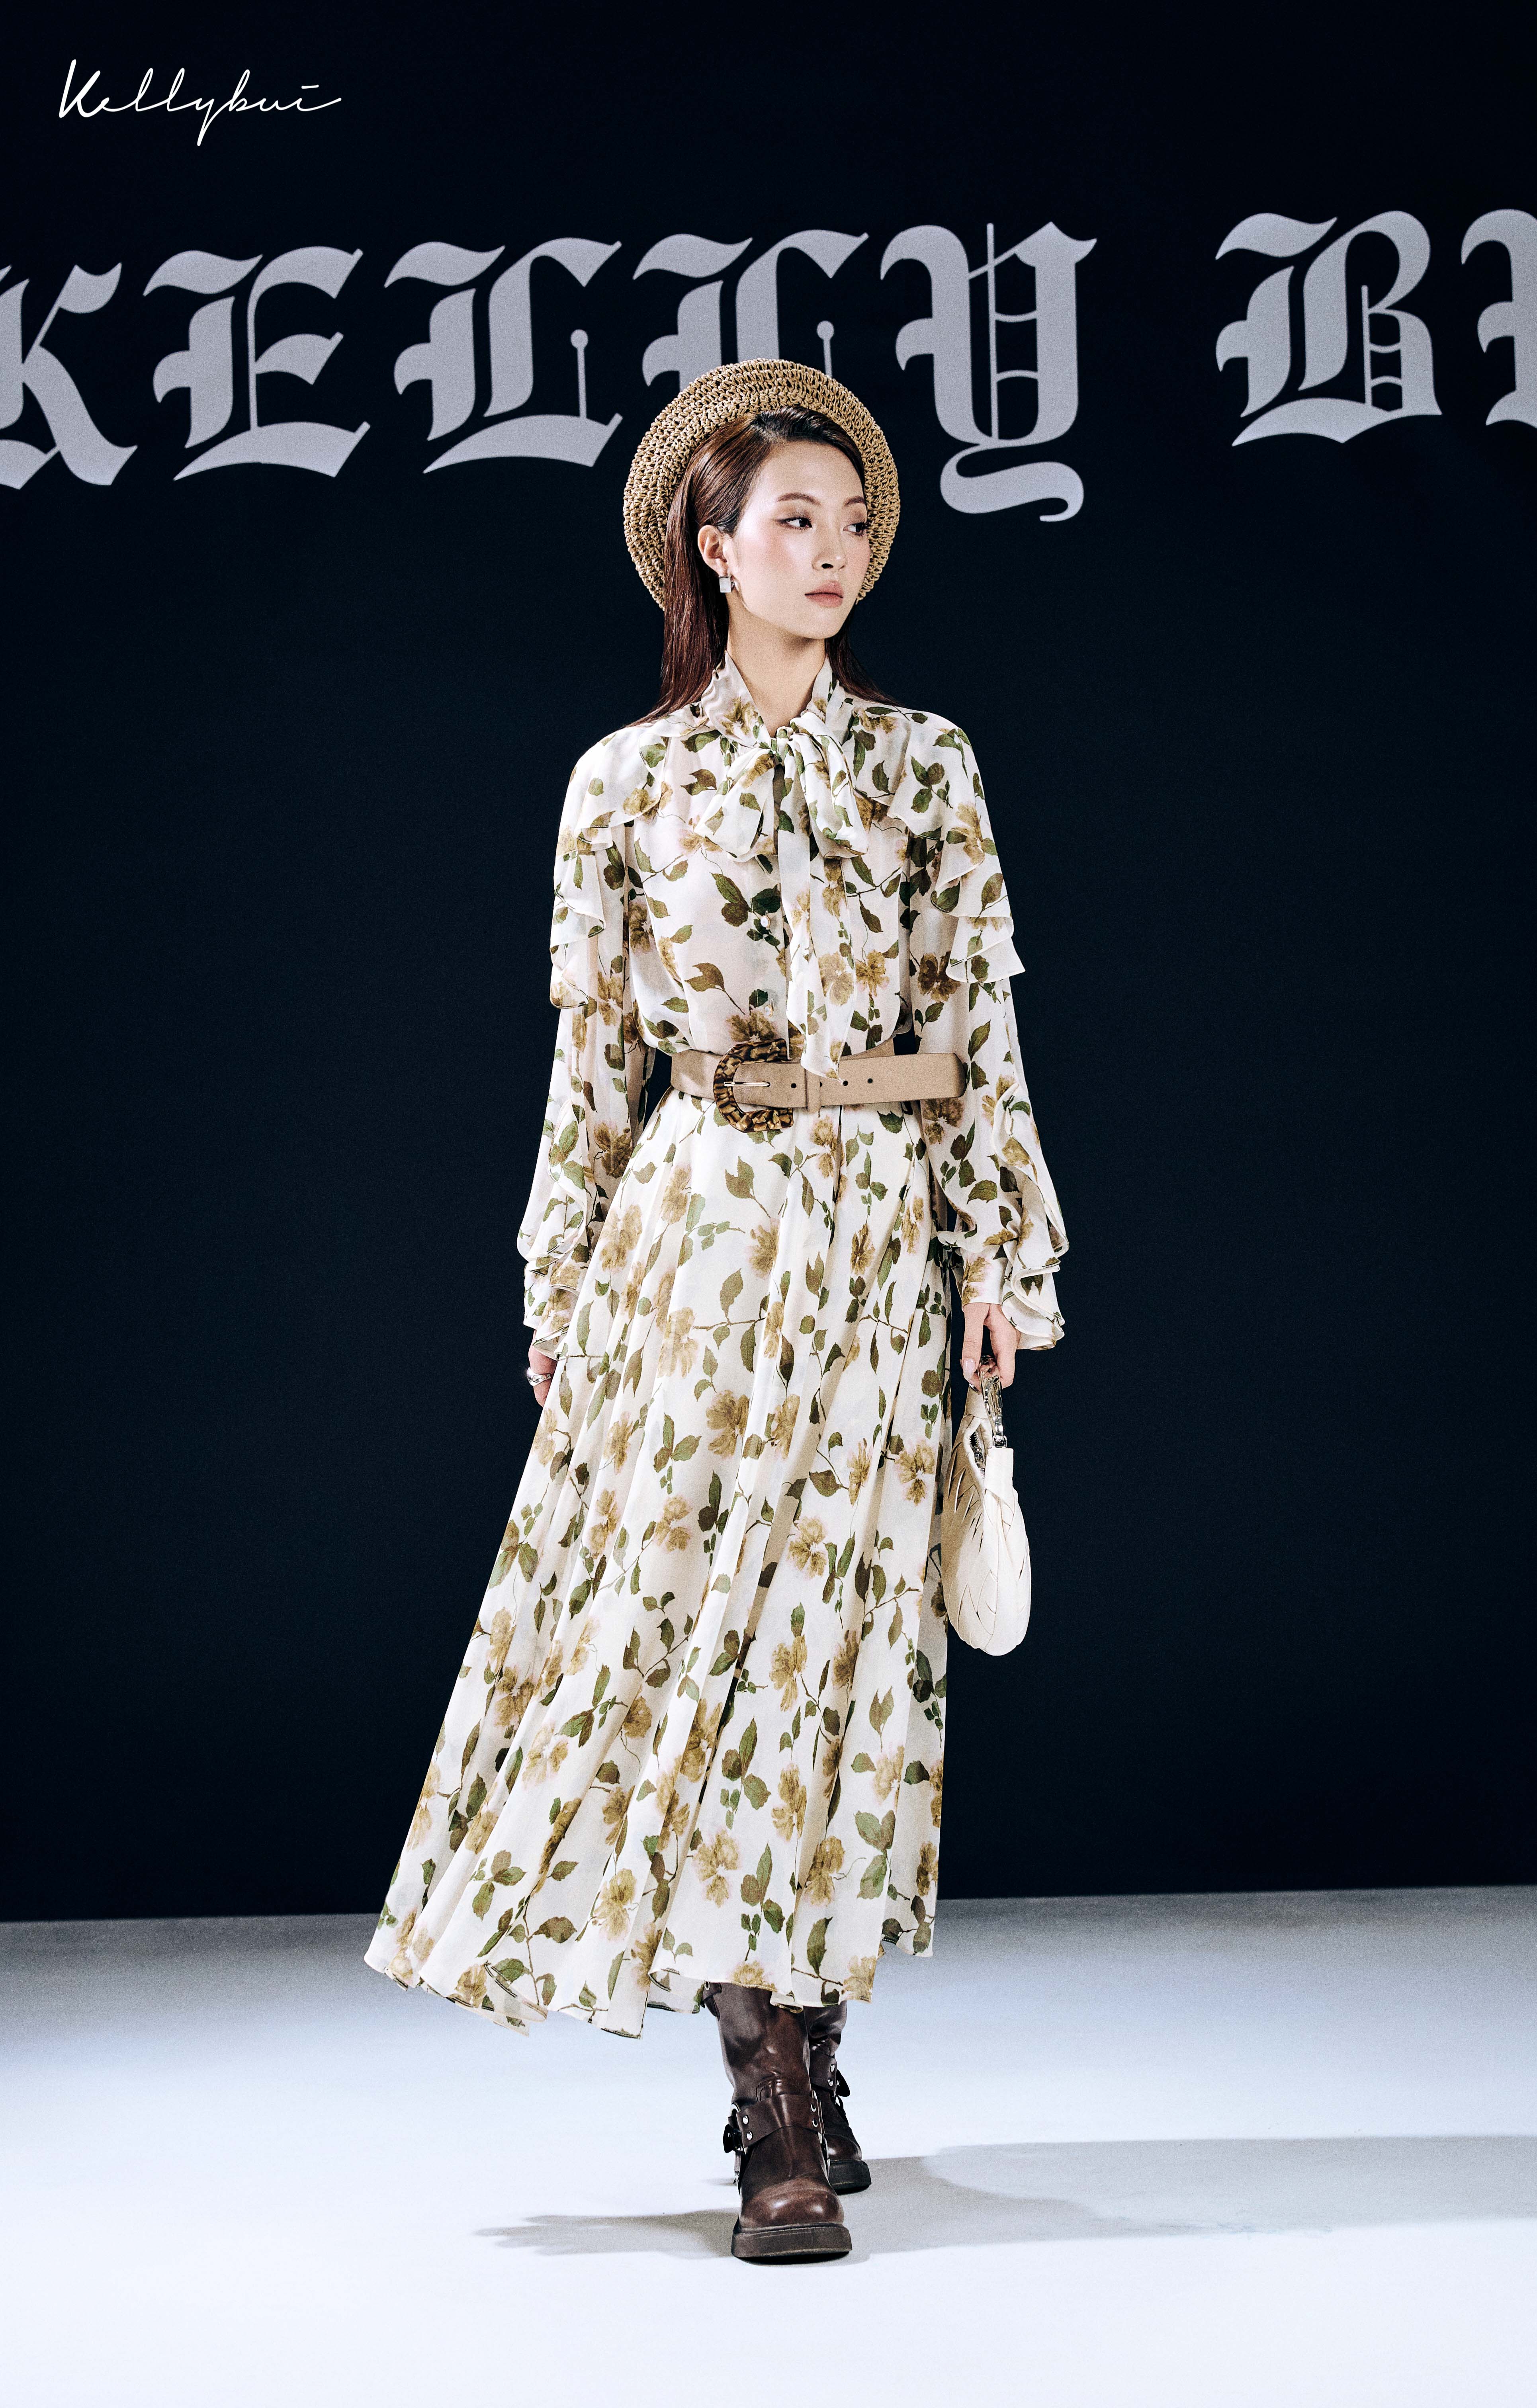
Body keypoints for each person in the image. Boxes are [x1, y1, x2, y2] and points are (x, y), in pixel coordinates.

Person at [366, 360, 1066, 2262]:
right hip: (698, 1236)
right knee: (708, 1643)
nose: (831, 552)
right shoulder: (627, 781)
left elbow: (976, 1024)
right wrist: (559, 1274)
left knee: (842, 1654)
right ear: (714, 545)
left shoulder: (924, 762)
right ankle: (766, 2101)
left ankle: (811, 2050)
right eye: (792, 522)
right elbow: (593, 1057)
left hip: (877, 1238)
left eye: (853, 525)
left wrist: (998, 1255)